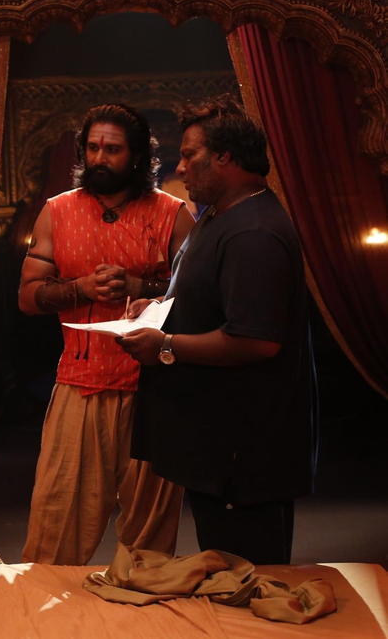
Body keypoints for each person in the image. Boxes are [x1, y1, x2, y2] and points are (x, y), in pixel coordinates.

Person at [118, 94, 318, 565]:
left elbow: (256, 340)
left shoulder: (254, 231)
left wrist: (165, 345)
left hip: (244, 453)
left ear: (225, 157)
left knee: (248, 580)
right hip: (217, 444)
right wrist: (160, 308)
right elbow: (210, 297)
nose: (180, 167)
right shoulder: (219, 214)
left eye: (190, 155)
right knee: (226, 574)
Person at [19, 103, 194, 565]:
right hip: (80, 387)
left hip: (155, 388)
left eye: (112, 149)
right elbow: (27, 297)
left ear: (136, 156)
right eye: (92, 148)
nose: (99, 158)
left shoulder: (173, 214)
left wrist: (143, 288)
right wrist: (79, 288)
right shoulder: (57, 212)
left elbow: (202, 295)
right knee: (54, 534)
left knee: (148, 547)